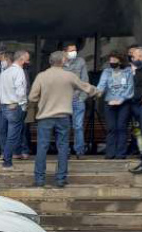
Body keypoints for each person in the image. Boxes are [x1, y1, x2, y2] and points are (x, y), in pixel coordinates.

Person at [28, 51, 100, 187]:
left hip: (45, 117)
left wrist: (43, 101)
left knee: (42, 148)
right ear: (62, 61)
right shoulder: (69, 76)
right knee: (63, 147)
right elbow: (85, 87)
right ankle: (60, 179)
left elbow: (32, 97)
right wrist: (98, 92)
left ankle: (39, 179)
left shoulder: (41, 76)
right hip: (63, 117)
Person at [97, 52, 135, 159]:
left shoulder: (127, 71)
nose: (111, 62)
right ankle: (110, 153)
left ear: (120, 61)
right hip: (109, 103)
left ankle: (121, 154)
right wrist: (97, 92)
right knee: (111, 128)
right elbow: (101, 85)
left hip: (124, 103)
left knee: (121, 128)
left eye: (114, 60)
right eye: (110, 60)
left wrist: (121, 100)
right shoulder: (107, 71)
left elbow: (130, 88)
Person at [0, 50, 30, 169]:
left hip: (5, 106)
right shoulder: (19, 71)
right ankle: (7, 162)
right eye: (27, 59)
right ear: (21, 59)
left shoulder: (4, 72)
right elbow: (20, 91)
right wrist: (23, 104)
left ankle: (8, 159)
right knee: (13, 136)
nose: (28, 62)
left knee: (10, 135)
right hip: (15, 106)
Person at [64, 43, 90, 158]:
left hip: (78, 99)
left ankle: (79, 151)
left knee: (78, 126)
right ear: (64, 52)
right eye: (71, 50)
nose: (74, 52)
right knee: (64, 127)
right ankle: (65, 151)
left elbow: (85, 80)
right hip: (63, 101)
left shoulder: (81, 61)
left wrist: (82, 98)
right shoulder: (59, 63)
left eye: (75, 50)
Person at [129, 48, 142, 173]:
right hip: (138, 105)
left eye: (140, 56)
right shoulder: (137, 71)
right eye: (135, 56)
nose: (137, 58)